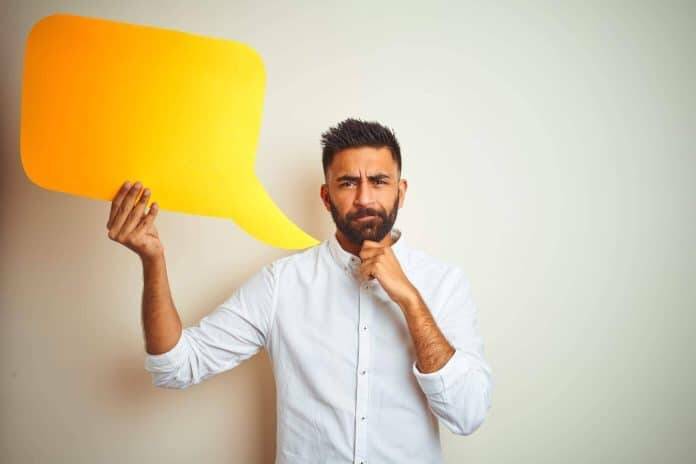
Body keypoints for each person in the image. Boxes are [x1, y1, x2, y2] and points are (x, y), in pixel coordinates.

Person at [106, 118, 493, 463]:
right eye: (348, 183)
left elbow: (468, 413)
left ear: (401, 191)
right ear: (326, 197)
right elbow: (176, 367)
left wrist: (409, 299)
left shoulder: (443, 284)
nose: (364, 198)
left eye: (379, 181)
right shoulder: (282, 284)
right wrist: (153, 260)